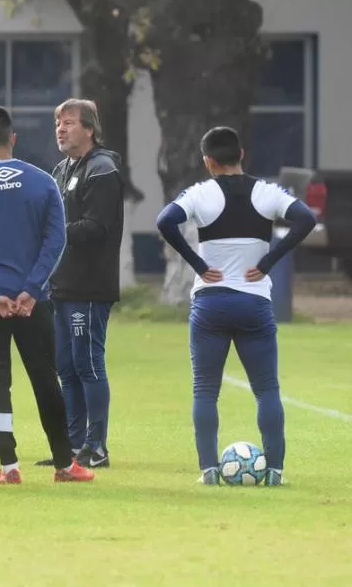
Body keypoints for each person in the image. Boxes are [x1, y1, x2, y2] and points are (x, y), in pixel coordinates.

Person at [155, 126, 315, 486]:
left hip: (210, 305)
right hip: (254, 302)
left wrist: (197, 265)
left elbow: (165, 220)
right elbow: (306, 218)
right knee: (267, 390)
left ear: (208, 161)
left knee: (205, 390)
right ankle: (274, 471)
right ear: (241, 154)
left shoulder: (200, 193)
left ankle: (210, 470)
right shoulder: (267, 192)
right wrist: (270, 259)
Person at [0, 105, 95, 485]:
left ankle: (9, 467)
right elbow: (56, 239)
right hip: (36, 303)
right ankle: (65, 464)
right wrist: (30, 290)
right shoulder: (42, 181)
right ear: (13, 138)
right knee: (46, 378)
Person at [36, 99, 124, 469]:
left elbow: (97, 228)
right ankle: (72, 445)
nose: (60, 128)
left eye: (69, 122)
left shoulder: (102, 169)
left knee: (88, 363)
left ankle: (96, 446)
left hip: (89, 286)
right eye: (57, 122)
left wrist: (52, 233)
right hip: (62, 285)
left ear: (89, 129)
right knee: (66, 367)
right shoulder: (60, 169)